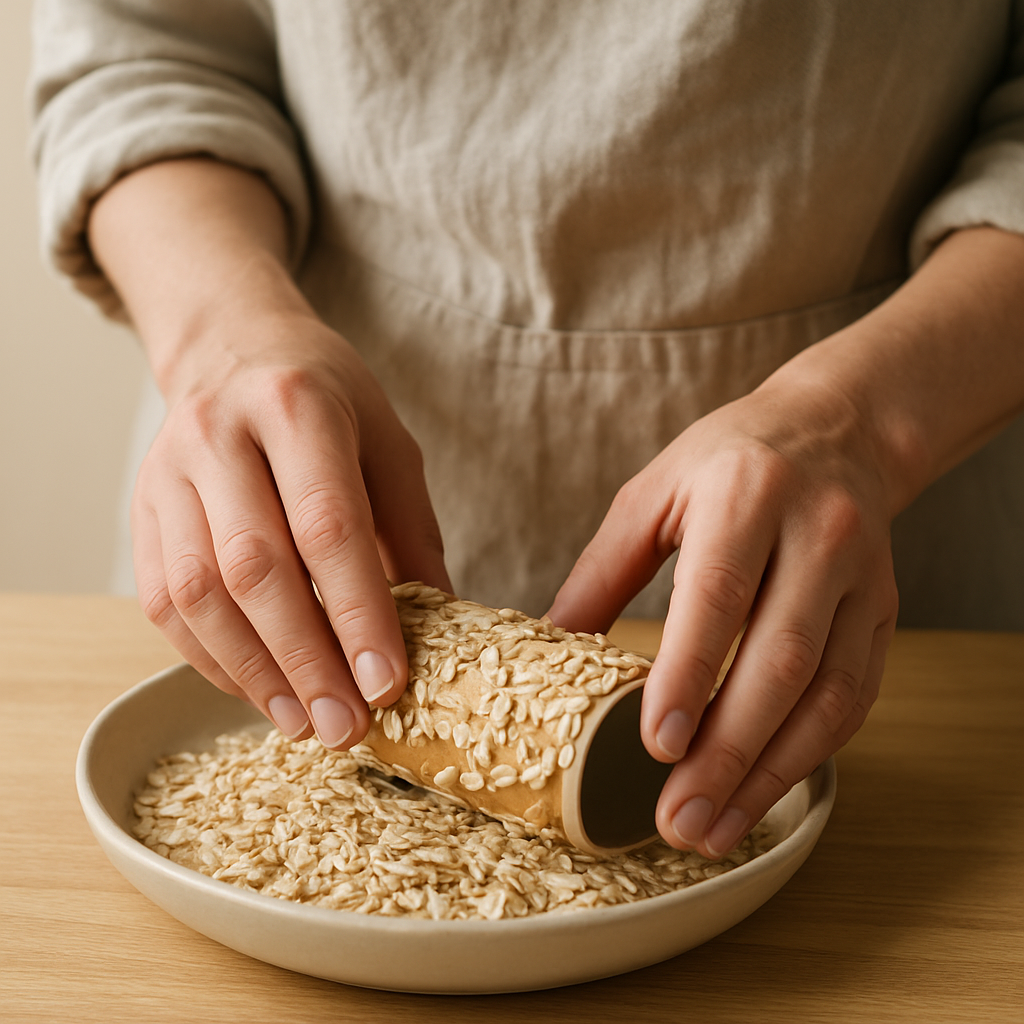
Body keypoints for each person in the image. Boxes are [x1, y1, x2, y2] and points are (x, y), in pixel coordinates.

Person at [32, 1, 1024, 859]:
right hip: (288, 501)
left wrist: (863, 418)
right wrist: (222, 333)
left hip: (901, 524)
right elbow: (143, 50)